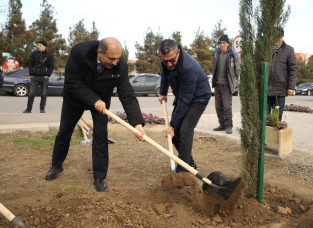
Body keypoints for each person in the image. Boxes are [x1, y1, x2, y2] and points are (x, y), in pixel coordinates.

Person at [45, 37, 146, 191]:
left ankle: (99, 177)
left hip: (101, 102)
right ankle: (56, 166)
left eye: (118, 58)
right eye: (111, 58)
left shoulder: (120, 65)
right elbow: (72, 82)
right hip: (75, 98)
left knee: (101, 136)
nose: (115, 63)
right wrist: (93, 99)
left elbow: (127, 93)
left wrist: (137, 123)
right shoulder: (80, 52)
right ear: (100, 52)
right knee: (64, 132)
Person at [157, 39, 211, 173]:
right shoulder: (166, 61)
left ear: (178, 52)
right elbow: (165, 73)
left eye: (171, 60)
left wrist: (172, 125)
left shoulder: (188, 67)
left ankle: (183, 171)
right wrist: (163, 92)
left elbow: (186, 101)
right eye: (165, 61)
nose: (168, 64)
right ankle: (189, 164)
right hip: (183, 96)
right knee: (173, 135)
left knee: (185, 130)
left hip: (198, 97)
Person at [211, 35, 241, 134]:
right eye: (220, 43)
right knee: (218, 107)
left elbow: (237, 70)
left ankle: (229, 125)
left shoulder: (234, 55)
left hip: (227, 85)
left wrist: (234, 79)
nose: (222, 45)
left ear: (228, 44)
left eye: (224, 43)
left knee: (227, 107)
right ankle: (222, 125)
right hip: (217, 84)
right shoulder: (215, 53)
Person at [267, 27, 297, 121]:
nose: (277, 39)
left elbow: (293, 69)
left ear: (282, 37)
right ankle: (266, 136)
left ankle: (275, 135)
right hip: (266, 90)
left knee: (276, 119)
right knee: (265, 117)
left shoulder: (289, 50)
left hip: (280, 90)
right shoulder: (266, 49)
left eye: (279, 36)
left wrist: (291, 87)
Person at [23, 40, 54, 113]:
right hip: (34, 77)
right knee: (31, 94)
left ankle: (42, 109)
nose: (38, 46)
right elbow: (30, 64)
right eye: (38, 45)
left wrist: (47, 75)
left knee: (44, 94)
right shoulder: (34, 54)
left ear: (44, 46)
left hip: (44, 78)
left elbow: (51, 66)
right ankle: (28, 109)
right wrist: (31, 74)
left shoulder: (49, 55)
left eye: (40, 45)